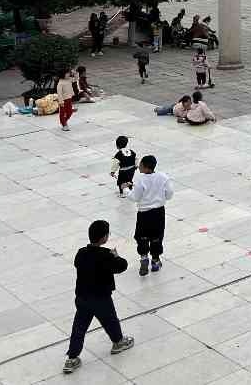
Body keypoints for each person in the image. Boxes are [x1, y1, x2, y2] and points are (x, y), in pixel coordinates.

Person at [61, 220, 134, 374]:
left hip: (82, 298)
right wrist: (116, 256)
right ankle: (118, 342)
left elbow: (77, 264)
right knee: (110, 321)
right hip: (101, 298)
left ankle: (72, 359)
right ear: (103, 238)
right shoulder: (106, 255)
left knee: (79, 328)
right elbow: (122, 266)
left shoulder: (81, 253)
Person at [131, 155, 173, 276]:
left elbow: (135, 197)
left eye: (140, 165)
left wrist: (126, 190)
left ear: (145, 167)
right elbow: (169, 194)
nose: (139, 166)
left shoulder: (140, 180)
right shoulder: (163, 177)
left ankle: (144, 259)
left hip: (144, 214)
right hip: (158, 213)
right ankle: (155, 261)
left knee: (142, 236)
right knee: (157, 236)